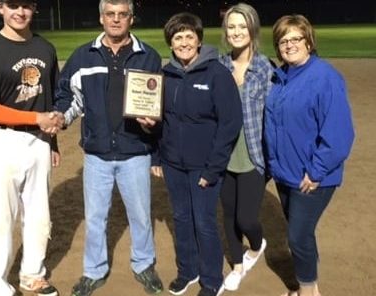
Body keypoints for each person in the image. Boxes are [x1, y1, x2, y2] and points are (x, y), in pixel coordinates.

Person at [54, 0, 163, 295]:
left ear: (131, 18)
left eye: (122, 14)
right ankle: (94, 270)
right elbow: (70, 98)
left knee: (140, 215)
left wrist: (152, 122)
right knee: (95, 217)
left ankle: (143, 264)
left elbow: (157, 105)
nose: (116, 20)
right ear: (102, 18)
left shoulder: (148, 56)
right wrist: (59, 118)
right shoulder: (82, 56)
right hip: (97, 155)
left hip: (135, 152)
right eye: (110, 14)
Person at [0, 1, 63, 296]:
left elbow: (50, 98)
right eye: (13, 5)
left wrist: (53, 141)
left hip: (39, 141)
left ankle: (32, 275)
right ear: (0, 8)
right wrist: (37, 118)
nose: (20, 12)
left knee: (38, 215)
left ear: (34, 8)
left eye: (26, 5)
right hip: (1, 142)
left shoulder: (46, 49)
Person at [148, 12, 243, 296]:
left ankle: (211, 279)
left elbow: (230, 124)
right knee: (181, 217)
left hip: (204, 165)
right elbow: (156, 119)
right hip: (173, 163)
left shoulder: (217, 74)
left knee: (204, 221)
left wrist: (213, 169)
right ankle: (187, 271)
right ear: (171, 43)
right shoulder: (165, 75)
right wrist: (156, 157)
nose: (184, 42)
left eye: (190, 36)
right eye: (178, 37)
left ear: (199, 41)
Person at [264, 14, 354, 296]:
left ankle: (308, 290)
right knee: (301, 232)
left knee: (298, 236)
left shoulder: (324, 77)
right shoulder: (281, 77)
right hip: (286, 173)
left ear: (308, 41)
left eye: (295, 38)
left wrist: (315, 171)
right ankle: (308, 281)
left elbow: (339, 135)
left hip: (312, 176)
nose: (289, 45)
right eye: (282, 40)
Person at [218, 3, 273, 291]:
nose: (237, 32)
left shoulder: (265, 67)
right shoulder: (220, 65)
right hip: (225, 154)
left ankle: (256, 245)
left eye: (242, 26)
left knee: (246, 218)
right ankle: (238, 266)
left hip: (253, 154)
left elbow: (276, 115)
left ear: (252, 29)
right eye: (231, 26)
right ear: (225, 32)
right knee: (228, 214)